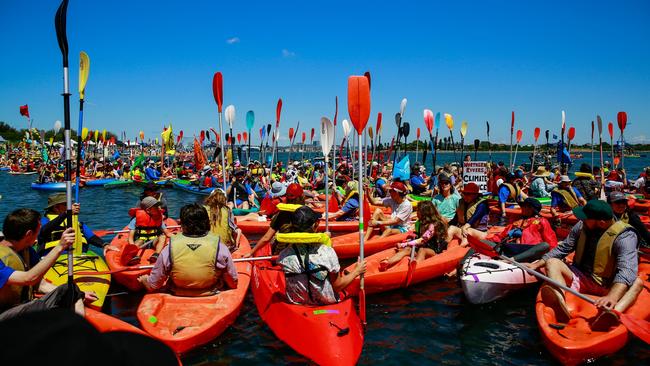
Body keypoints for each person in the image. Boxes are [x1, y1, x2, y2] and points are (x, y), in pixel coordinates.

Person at [526, 200, 643, 330]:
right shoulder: (582, 225)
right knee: (552, 262)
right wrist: (537, 264)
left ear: (601, 222)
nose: (581, 219)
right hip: (582, 277)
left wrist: (612, 296)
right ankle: (560, 304)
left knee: (637, 282)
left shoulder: (625, 236)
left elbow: (626, 270)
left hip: (609, 284)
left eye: (586, 218)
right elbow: (563, 248)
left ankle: (612, 312)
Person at [0, 209, 93, 321]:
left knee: (71, 289)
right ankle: (78, 334)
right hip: (4, 315)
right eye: (37, 232)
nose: (37, 238)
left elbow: (41, 284)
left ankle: (76, 329)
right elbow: (29, 278)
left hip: (20, 307)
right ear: (29, 234)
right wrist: (60, 247)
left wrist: (76, 294)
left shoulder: (27, 252)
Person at [138, 204, 237, 296]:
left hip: (177, 292)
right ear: (207, 223)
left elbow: (154, 285)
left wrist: (144, 280)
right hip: (210, 292)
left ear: (182, 224)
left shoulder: (169, 247)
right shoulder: (219, 246)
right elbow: (233, 282)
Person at [277, 206, 366, 305]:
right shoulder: (327, 252)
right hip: (325, 303)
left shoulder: (283, 255)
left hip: (297, 303)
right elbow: (338, 286)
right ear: (316, 224)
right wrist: (357, 271)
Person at [378, 201, 448, 271]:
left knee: (422, 250)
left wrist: (403, 244)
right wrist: (408, 243)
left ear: (424, 213)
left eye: (418, 210)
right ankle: (388, 262)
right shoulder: (422, 222)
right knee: (407, 249)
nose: (416, 212)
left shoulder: (433, 226)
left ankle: (415, 268)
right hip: (424, 246)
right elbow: (419, 237)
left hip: (434, 250)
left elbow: (422, 240)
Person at [485, 198, 558, 261]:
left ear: (531, 209)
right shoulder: (518, 221)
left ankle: (511, 260)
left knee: (545, 245)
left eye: (524, 206)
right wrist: (489, 240)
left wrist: (553, 256)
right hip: (511, 248)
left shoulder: (542, 221)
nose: (522, 208)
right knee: (482, 242)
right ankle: (507, 257)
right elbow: (502, 235)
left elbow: (550, 239)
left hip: (528, 249)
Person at [247, 183, 306, 257]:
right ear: (302, 197)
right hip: (303, 253)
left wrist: (250, 253)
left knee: (250, 216)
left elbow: (266, 238)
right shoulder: (310, 214)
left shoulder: (281, 213)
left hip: (281, 254)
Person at [37, 193, 104, 254]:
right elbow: (44, 230)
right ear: (56, 207)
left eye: (71, 204)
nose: (72, 206)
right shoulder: (45, 221)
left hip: (80, 258)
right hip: (54, 258)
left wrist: (105, 245)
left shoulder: (77, 222)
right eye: (67, 204)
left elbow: (91, 237)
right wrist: (66, 213)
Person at [127, 197, 173, 264]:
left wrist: (180, 237)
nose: (159, 208)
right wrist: (132, 247)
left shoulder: (158, 218)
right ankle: (134, 256)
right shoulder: (135, 220)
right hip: (141, 241)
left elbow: (167, 233)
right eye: (156, 207)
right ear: (148, 210)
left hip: (153, 241)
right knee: (139, 241)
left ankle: (156, 255)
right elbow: (130, 238)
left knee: (162, 237)